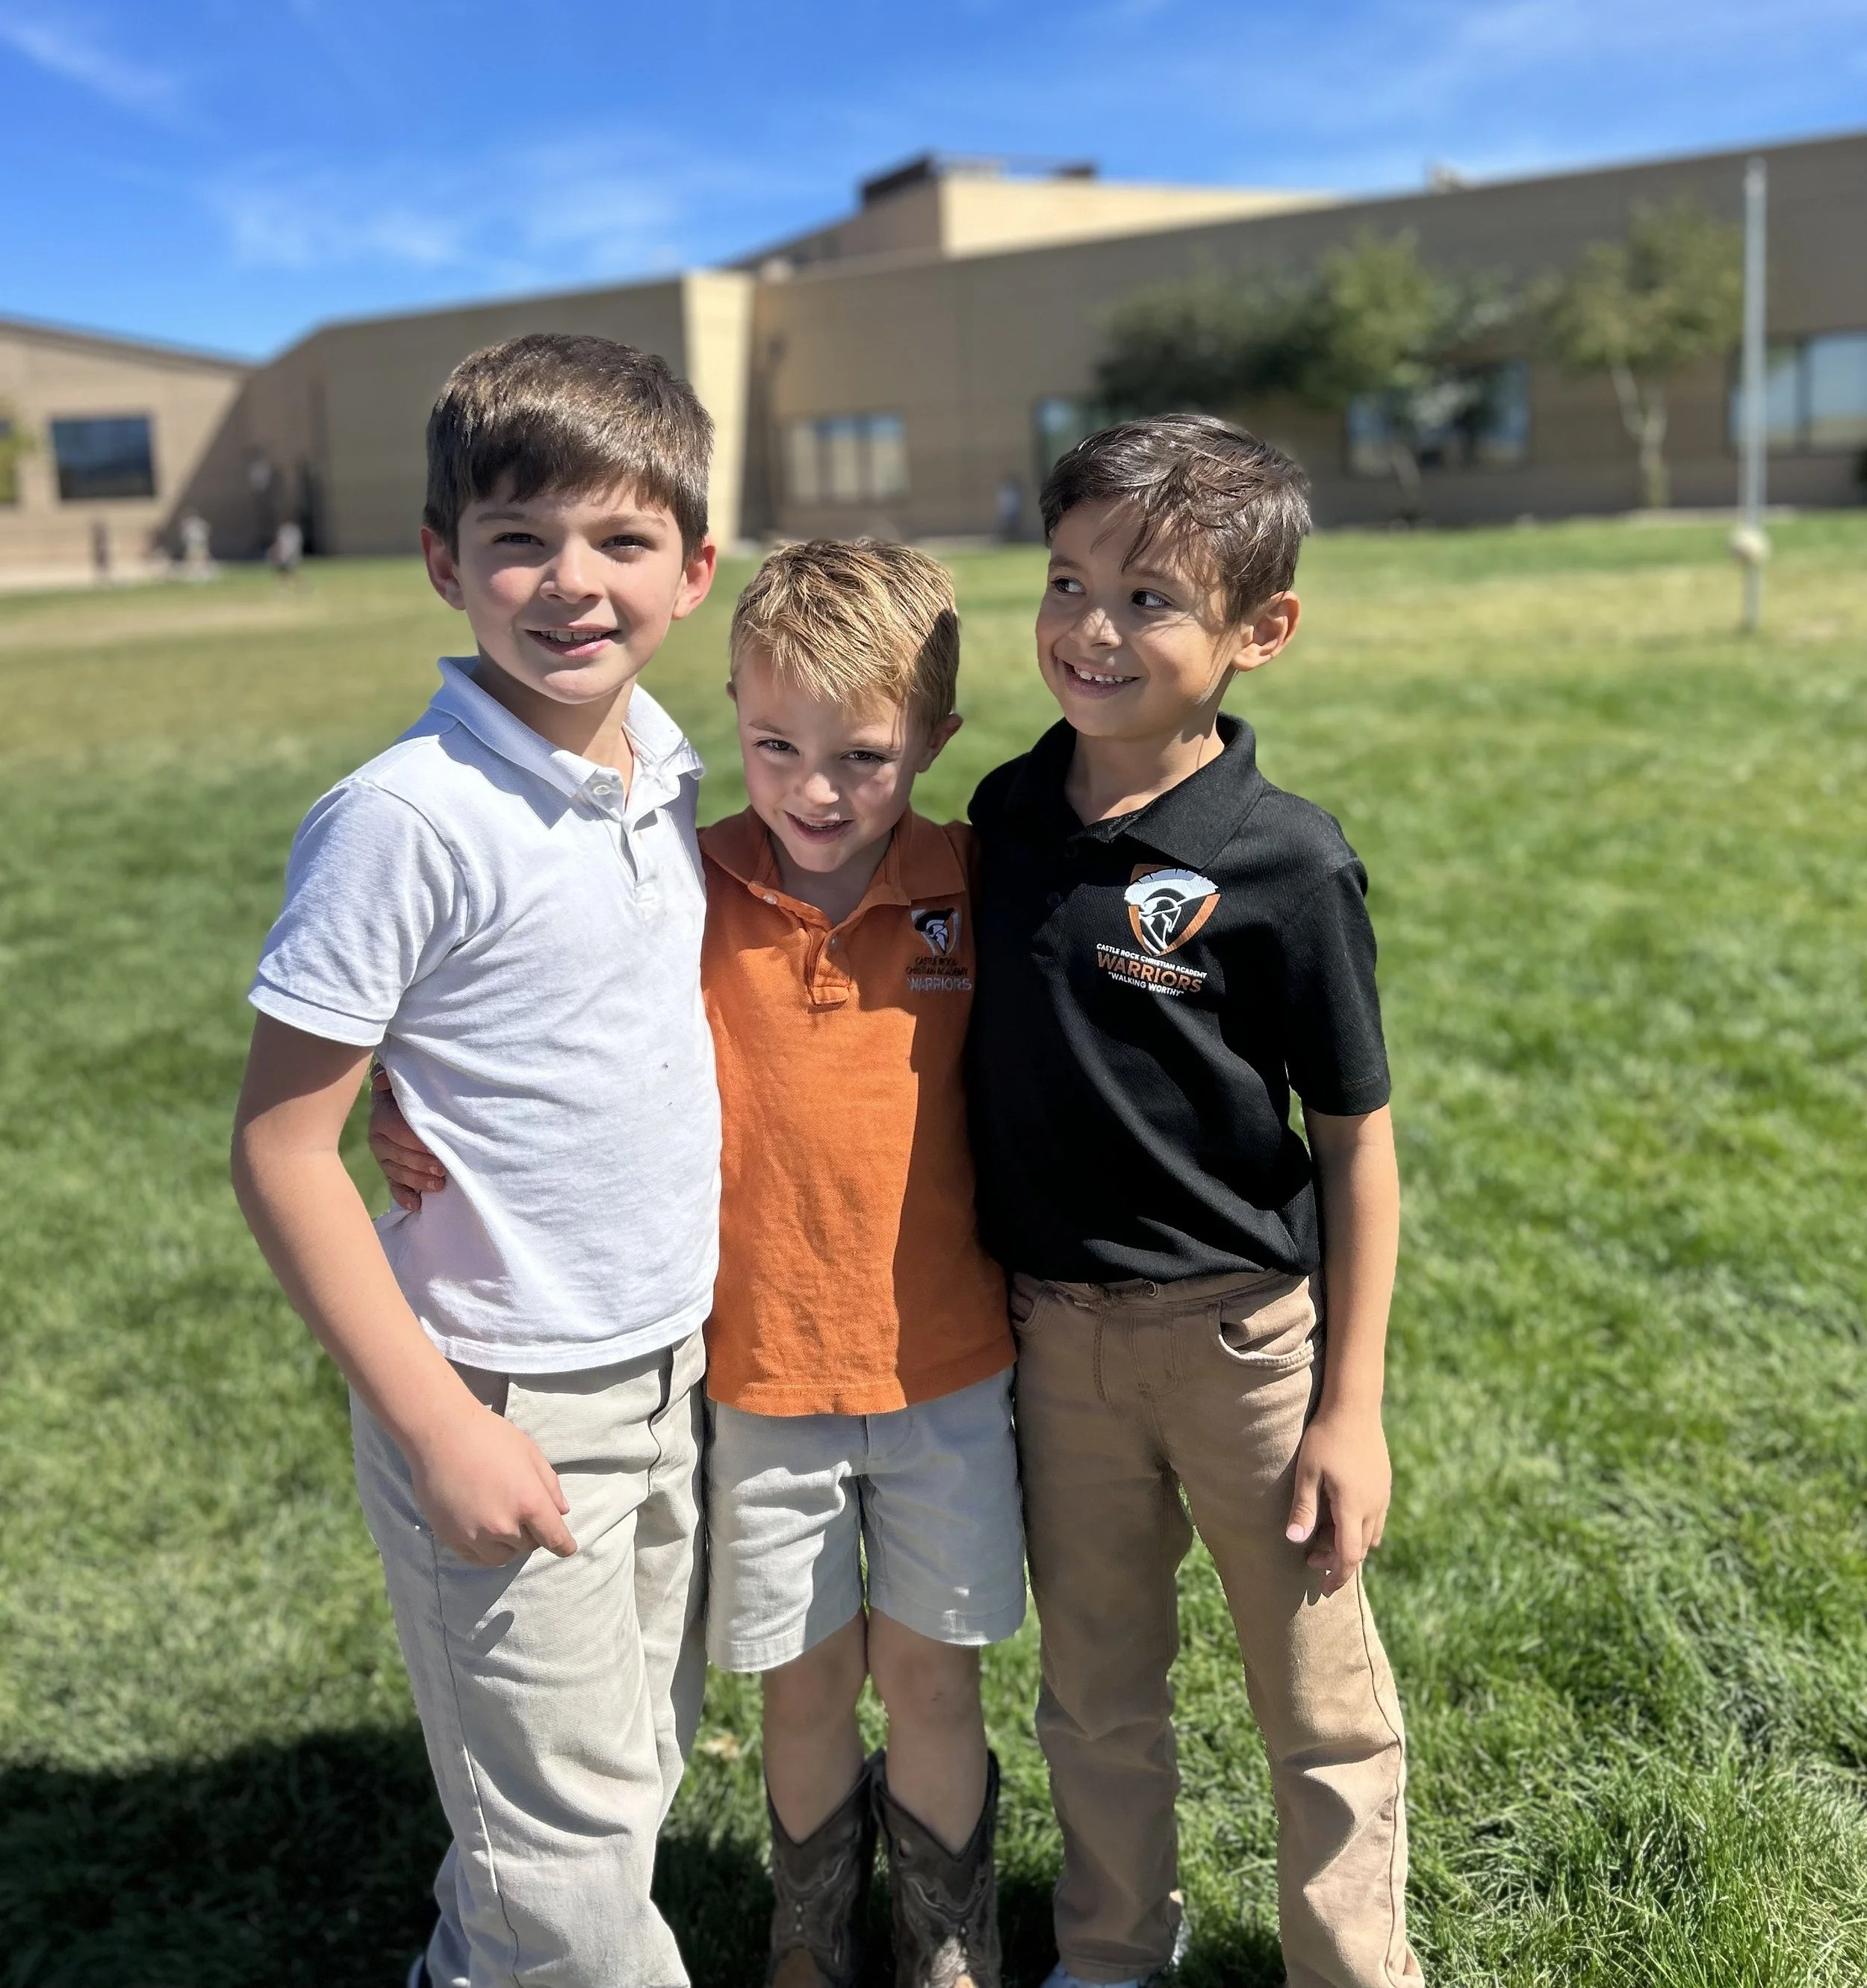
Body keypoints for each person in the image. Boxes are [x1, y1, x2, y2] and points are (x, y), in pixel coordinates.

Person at [376, 540, 1026, 1988]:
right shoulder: (688, 875)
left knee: (930, 1673)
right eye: (776, 743)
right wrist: (401, 1083)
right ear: (730, 702)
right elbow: (533, 1004)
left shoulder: (978, 884)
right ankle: (808, 1935)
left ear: (932, 736)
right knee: (799, 1684)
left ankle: (944, 1936)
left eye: (861, 755)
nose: (812, 788)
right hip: (758, 1378)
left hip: (948, 1368)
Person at [230, 333, 722, 1988]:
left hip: (673, 1370)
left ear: (695, 565)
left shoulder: (666, 768)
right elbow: (281, 1146)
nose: (568, 582)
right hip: (501, 1396)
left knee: (616, 1782)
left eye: (620, 539)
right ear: (444, 561)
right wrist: (435, 1421)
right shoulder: (402, 817)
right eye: (517, 538)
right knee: (577, 1897)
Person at [966, 414, 1422, 1988]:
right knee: (1093, 1692)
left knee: (1318, 1706)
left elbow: (1355, 1140)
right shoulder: (1001, 826)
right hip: (1050, 1349)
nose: (1090, 628)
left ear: (1257, 633)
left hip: (1244, 1352)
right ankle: (1106, 1950)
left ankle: (1348, 1969)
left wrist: (1345, 1406)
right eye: (1065, 578)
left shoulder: (1285, 865)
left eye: (1149, 597)